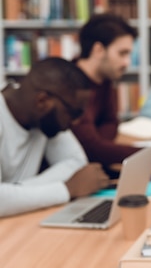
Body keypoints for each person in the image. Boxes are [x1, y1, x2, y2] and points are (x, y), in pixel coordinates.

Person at [73, 14, 151, 178]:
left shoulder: (104, 79)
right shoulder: (71, 85)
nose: (127, 62)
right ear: (98, 49)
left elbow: (111, 123)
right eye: (122, 54)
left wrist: (100, 148)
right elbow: (91, 148)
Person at [0, 57, 110, 218]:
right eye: (73, 113)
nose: (76, 122)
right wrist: (66, 189)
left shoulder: (42, 119)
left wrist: (14, 193)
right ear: (42, 100)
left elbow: (76, 164)